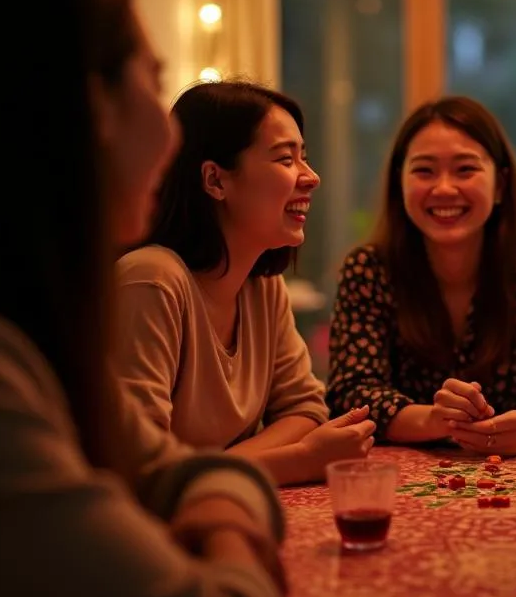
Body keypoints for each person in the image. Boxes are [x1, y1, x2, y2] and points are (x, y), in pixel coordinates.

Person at [0, 0, 286, 597]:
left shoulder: (31, 332)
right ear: (92, 107)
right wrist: (230, 523)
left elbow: (175, 466)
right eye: (154, 78)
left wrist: (214, 506)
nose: (170, 127)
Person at [116, 80, 374, 486]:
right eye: (285, 160)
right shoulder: (152, 281)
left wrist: (220, 468)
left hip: (219, 500)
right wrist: (297, 460)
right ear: (215, 180)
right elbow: (138, 474)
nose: (311, 178)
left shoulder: (262, 286)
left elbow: (305, 409)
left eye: (303, 157)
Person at [326, 96, 516, 456]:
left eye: (465, 169)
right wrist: (435, 419)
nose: (444, 188)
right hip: (402, 487)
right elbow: (350, 392)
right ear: (399, 184)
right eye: (424, 170)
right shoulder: (368, 271)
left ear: (500, 185)